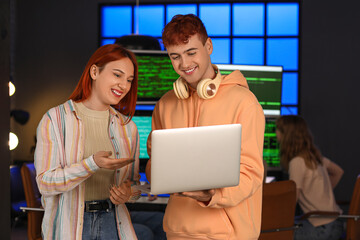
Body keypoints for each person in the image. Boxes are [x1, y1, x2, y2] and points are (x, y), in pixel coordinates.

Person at [145, 14, 265, 239]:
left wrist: (211, 195)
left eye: (191, 52)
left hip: (228, 234)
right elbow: (153, 168)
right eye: (175, 57)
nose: (185, 64)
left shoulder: (244, 102)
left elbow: (251, 174)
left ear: (208, 46)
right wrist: (160, 173)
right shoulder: (164, 105)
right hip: (177, 231)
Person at [34, 44, 142, 239]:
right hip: (70, 225)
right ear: (94, 71)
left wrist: (128, 193)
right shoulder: (55, 119)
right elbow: (45, 183)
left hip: (113, 223)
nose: (124, 85)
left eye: (129, 80)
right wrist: (91, 164)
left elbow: (133, 184)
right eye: (117, 75)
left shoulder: (128, 128)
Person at [275, 115, 344, 240]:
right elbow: (338, 171)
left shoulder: (297, 162)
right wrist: (323, 194)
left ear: (287, 135)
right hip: (336, 224)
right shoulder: (313, 157)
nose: (275, 133)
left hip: (321, 228)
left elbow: (292, 198)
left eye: (278, 130)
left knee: (277, 233)